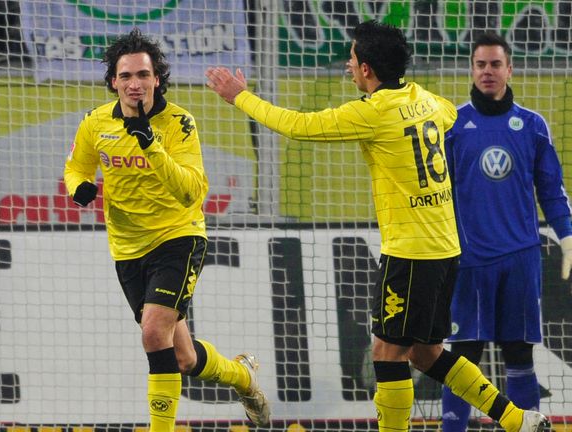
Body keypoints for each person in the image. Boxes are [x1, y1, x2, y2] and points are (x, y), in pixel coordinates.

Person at [205, 20, 550, 432]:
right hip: (445, 248)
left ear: (367, 69)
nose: (349, 68)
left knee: (387, 353)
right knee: (426, 353)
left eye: (352, 61)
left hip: (410, 252)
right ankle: (516, 419)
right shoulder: (425, 99)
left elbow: (298, 126)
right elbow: (447, 118)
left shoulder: (373, 112)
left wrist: (240, 96)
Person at [63, 28, 270, 431]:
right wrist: (79, 187)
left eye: (143, 75)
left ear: (157, 78)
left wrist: (149, 146)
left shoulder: (179, 123)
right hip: (127, 247)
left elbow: (192, 191)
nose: (134, 84)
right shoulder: (95, 122)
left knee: (153, 331)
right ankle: (243, 377)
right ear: (113, 82)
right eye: (125, 76)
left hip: (178, 237)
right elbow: (76, 165)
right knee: (183, 358)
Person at [440, 31, 572, 432]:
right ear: (472, 69)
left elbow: (551, 189)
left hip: (520, 259)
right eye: (481, 64)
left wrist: (567, 236)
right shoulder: (452, 124)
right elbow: (435, 192)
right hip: (468, 262)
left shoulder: (532, 126)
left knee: (518, 353)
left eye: (496, 64)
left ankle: (524, 427)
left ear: (510, 69)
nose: (488, 72)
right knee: (463, 356)